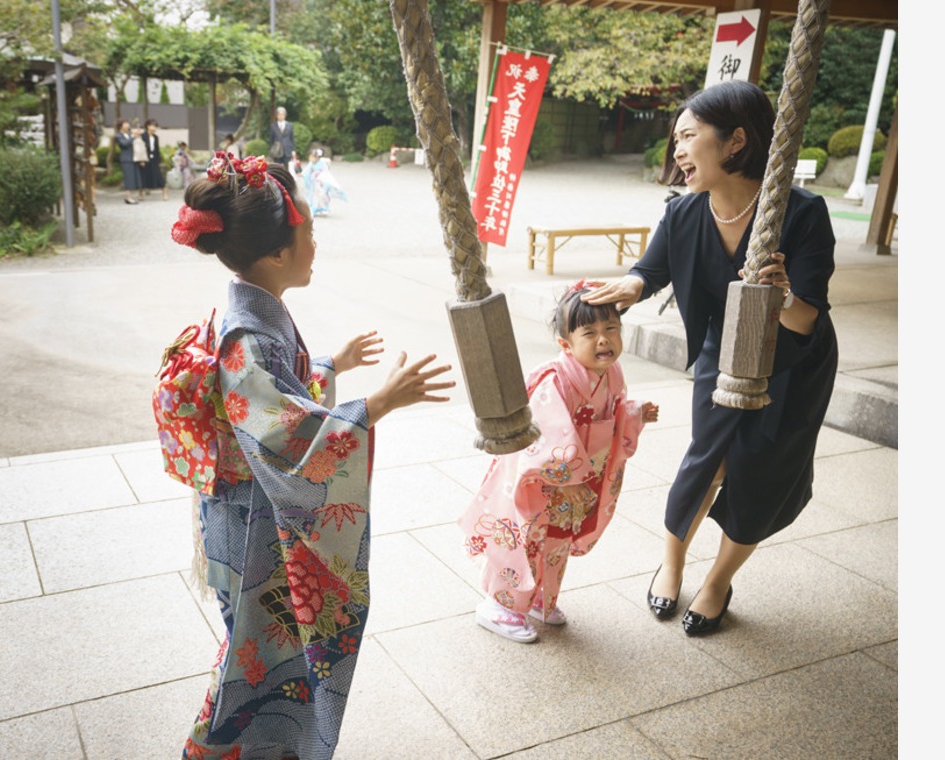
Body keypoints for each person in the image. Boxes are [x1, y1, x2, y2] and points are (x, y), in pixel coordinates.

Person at [171, 152, 456, 758]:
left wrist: (330, 364)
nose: (316, 243)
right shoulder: (245, 337)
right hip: (253, 523)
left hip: (251, 509)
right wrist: (375, 404)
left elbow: (279, 399)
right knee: (257, 659)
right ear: (278, 254)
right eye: (311, 232)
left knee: (265, 653)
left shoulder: (250, 313)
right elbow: (284, 439)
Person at [583, 80, 838, 636]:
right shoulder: (684, 213)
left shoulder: (803, 213)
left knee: (761, 470)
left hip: (795, 363)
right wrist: (627, 288)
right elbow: (649, 271)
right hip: (722, 353)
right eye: (676, 138)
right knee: (709, 458)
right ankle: (671, 563)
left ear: (735, 141)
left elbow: (806, 318)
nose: (677, 150)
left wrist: (783, 295)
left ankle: (718, 580)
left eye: (688, 136)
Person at [459, 283, 659, 643]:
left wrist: (634, 413)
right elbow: (550, 437)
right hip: (541, 481)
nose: (604, 340)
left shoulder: (612, 375)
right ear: (566, 345)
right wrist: (572, 476)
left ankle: (539, 598)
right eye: (590, 333)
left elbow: (613, 415)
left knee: (558, 540)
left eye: (611, 329)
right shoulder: (555, 380)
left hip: (577, 481)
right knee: (525, 538)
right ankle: (498, 605)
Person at [303, 148, 348, 217]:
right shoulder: (311, 164)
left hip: (321, 183)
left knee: (322, 196)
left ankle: (323, 209)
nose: (310, 158)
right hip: (314, 184)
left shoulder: (323, 164)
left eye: (312, 156)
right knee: (314, 197)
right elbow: (306, 172)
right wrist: (302, 175)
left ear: (317, 157)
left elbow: (326, 174)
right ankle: (315, 209)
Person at [114, 119, 141, 205]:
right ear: (121, 126)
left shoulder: (128, 135)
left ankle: (129, 197)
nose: (128, 125)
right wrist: (133, 137)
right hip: (126, 159)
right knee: (128, 178)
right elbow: (124, 144)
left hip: (132, 158)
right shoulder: (118, 136)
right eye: (126, 123)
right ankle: (128, 197)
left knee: (132, 178)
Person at [141, 119, 168, 200]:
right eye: (152, 126)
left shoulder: (156, 137)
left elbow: (157, 149)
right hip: (145, 159)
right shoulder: (143, 136)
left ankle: (164, 193)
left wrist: (158, 160)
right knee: (143, 176)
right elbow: (141, 149)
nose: (154, 128)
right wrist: (141, 160)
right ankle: (140, 193)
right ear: (147, 126)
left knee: (159, 176)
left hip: (154, 160)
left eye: (155, 126)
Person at [269, 106, 297, 172]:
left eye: (283, 114)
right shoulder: (273, 126)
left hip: (287, 150)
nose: (281, 116)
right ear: (277, 115)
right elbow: (271, 140)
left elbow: (292, 138)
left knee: (287, 169)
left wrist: (293, 150)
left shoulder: (290, 125)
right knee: (277, 169)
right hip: (277, 151)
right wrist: (271, 151)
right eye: (279, 114)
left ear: (285, 115)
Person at [131, 122, 150, 199]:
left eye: (140, 128)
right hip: (132, 159)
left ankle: (141, 193)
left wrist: (142, 160)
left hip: (141, 160)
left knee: (141, 177)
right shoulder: (131, 137)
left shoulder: (143, 137)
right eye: (136, 128)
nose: (138, 130)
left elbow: (143, 150)